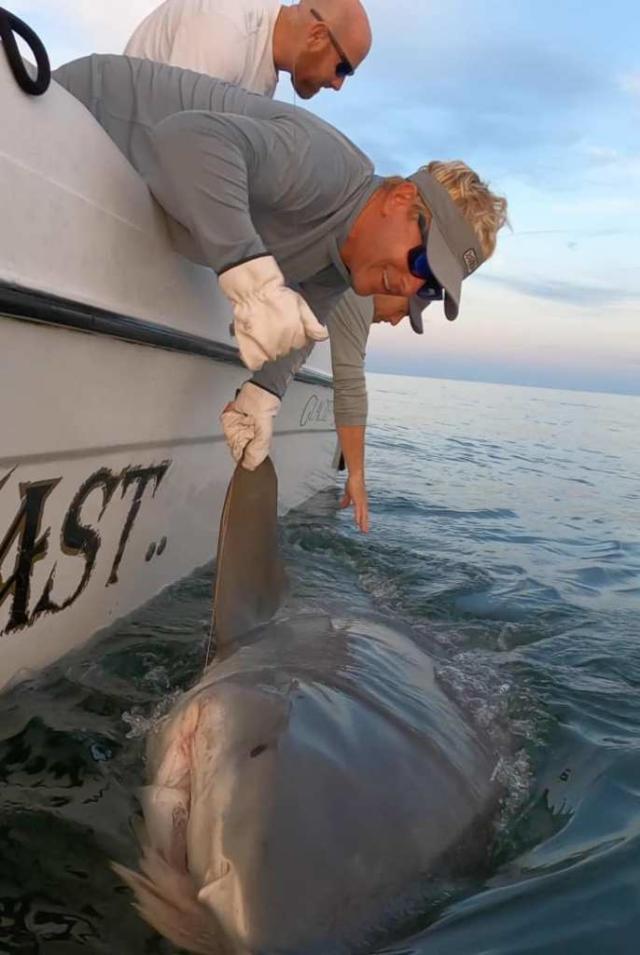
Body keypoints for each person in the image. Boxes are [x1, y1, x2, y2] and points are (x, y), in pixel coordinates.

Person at [52, 55, 508, 533]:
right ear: (399, 200)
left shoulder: (340, 268)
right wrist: (252, 278)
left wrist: (262, 396)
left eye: (431, 288)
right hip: (82, 116)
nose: (413, 286)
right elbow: (185, 141)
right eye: (421, 262)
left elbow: (305, 325)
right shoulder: (326, 169)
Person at [125, 0, 372, 99]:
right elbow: (177, 143)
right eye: (343, 69)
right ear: (317, 36)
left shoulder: (262, 65)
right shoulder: (227, 25)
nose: (338, 85)